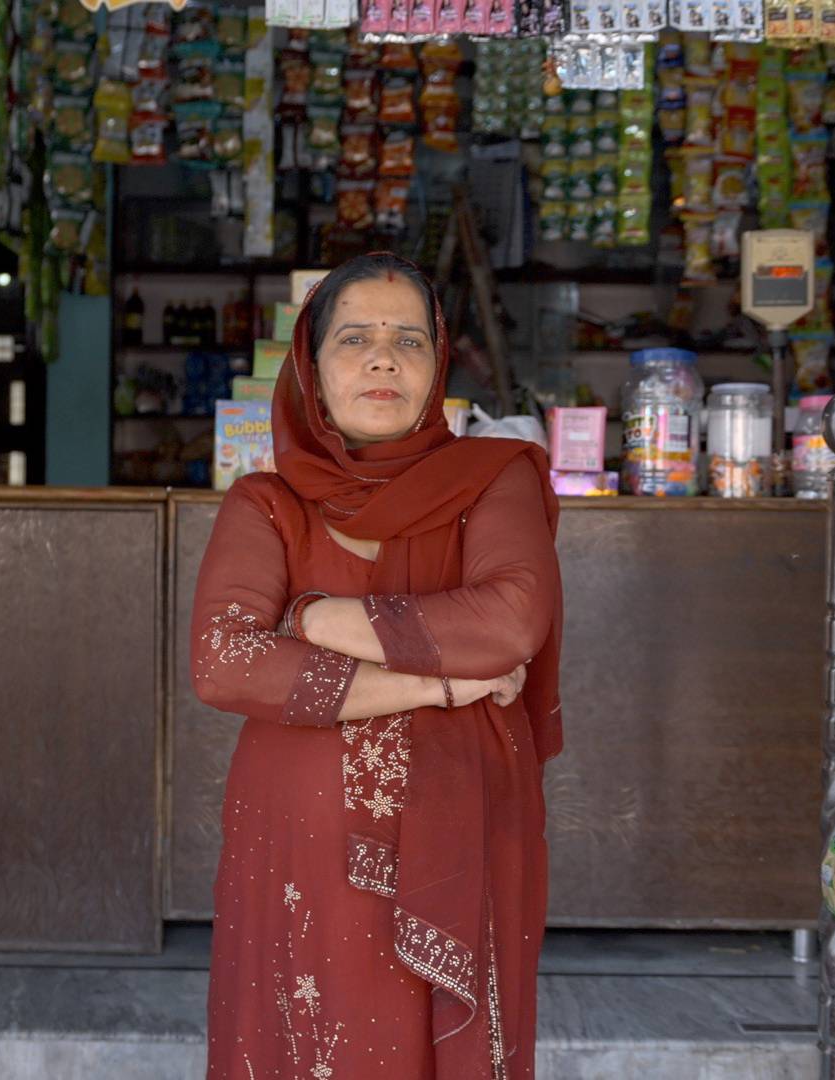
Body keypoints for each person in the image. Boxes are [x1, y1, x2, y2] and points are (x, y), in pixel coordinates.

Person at [191, 252, 564, 1080]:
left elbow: (511, 619)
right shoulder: (267, 503)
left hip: (467, 825)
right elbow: (223, 661)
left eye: (410, 341)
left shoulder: (493, 479)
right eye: (354, 338)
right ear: (313, 369)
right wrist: (440, 682)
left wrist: (318, 618)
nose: (383, 358)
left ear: (438, 365)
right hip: (300, 848)